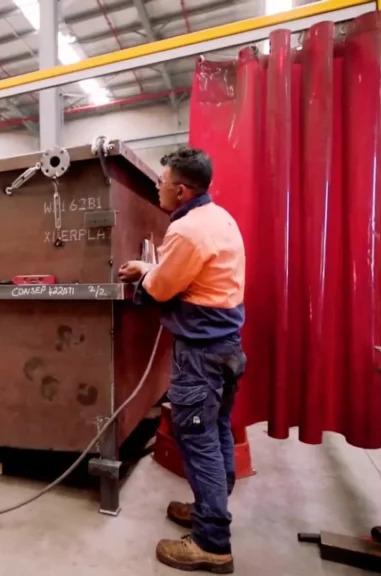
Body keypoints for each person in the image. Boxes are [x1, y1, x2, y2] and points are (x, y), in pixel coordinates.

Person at [118, 147, 246, 574]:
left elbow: (162, 288)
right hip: (226, 346)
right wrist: (150, 267)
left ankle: (212, 543)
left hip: (200, 354)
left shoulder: (188, 230)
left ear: (183, 189)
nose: (158, 187)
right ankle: (211, 510)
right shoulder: (220, 218)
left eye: (162, 181)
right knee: (217, 431)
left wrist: (144, 275)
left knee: (200, 441)